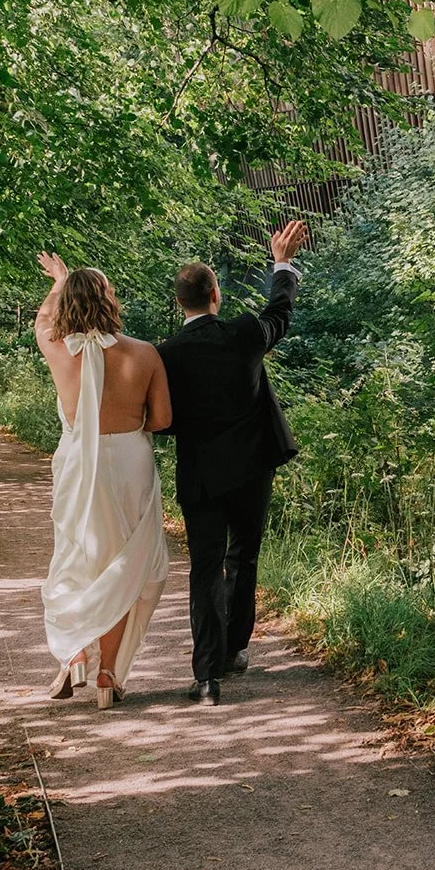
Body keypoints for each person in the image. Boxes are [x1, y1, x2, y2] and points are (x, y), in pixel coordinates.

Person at [158, 221, 307, 706]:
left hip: (201, 475)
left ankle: (206, 678)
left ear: (180, 302)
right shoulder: (244, 334)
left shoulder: (166, 355)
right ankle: (234, 651)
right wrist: (280, 264)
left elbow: (161, 421)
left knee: (203, 569)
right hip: (251, 468)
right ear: (216, 295)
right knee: (242, 555)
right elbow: (279, 314)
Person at [35, 255, 171, 709]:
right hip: (130, 459)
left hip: (79, 463)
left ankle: (75, 652)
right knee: (123, 566)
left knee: (76, 557)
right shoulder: (145, 353)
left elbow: (43, 317)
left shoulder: (56, 347)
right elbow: (164, 419)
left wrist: (58, 281)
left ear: (69, 305)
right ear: (110, 301)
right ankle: (108, 676)